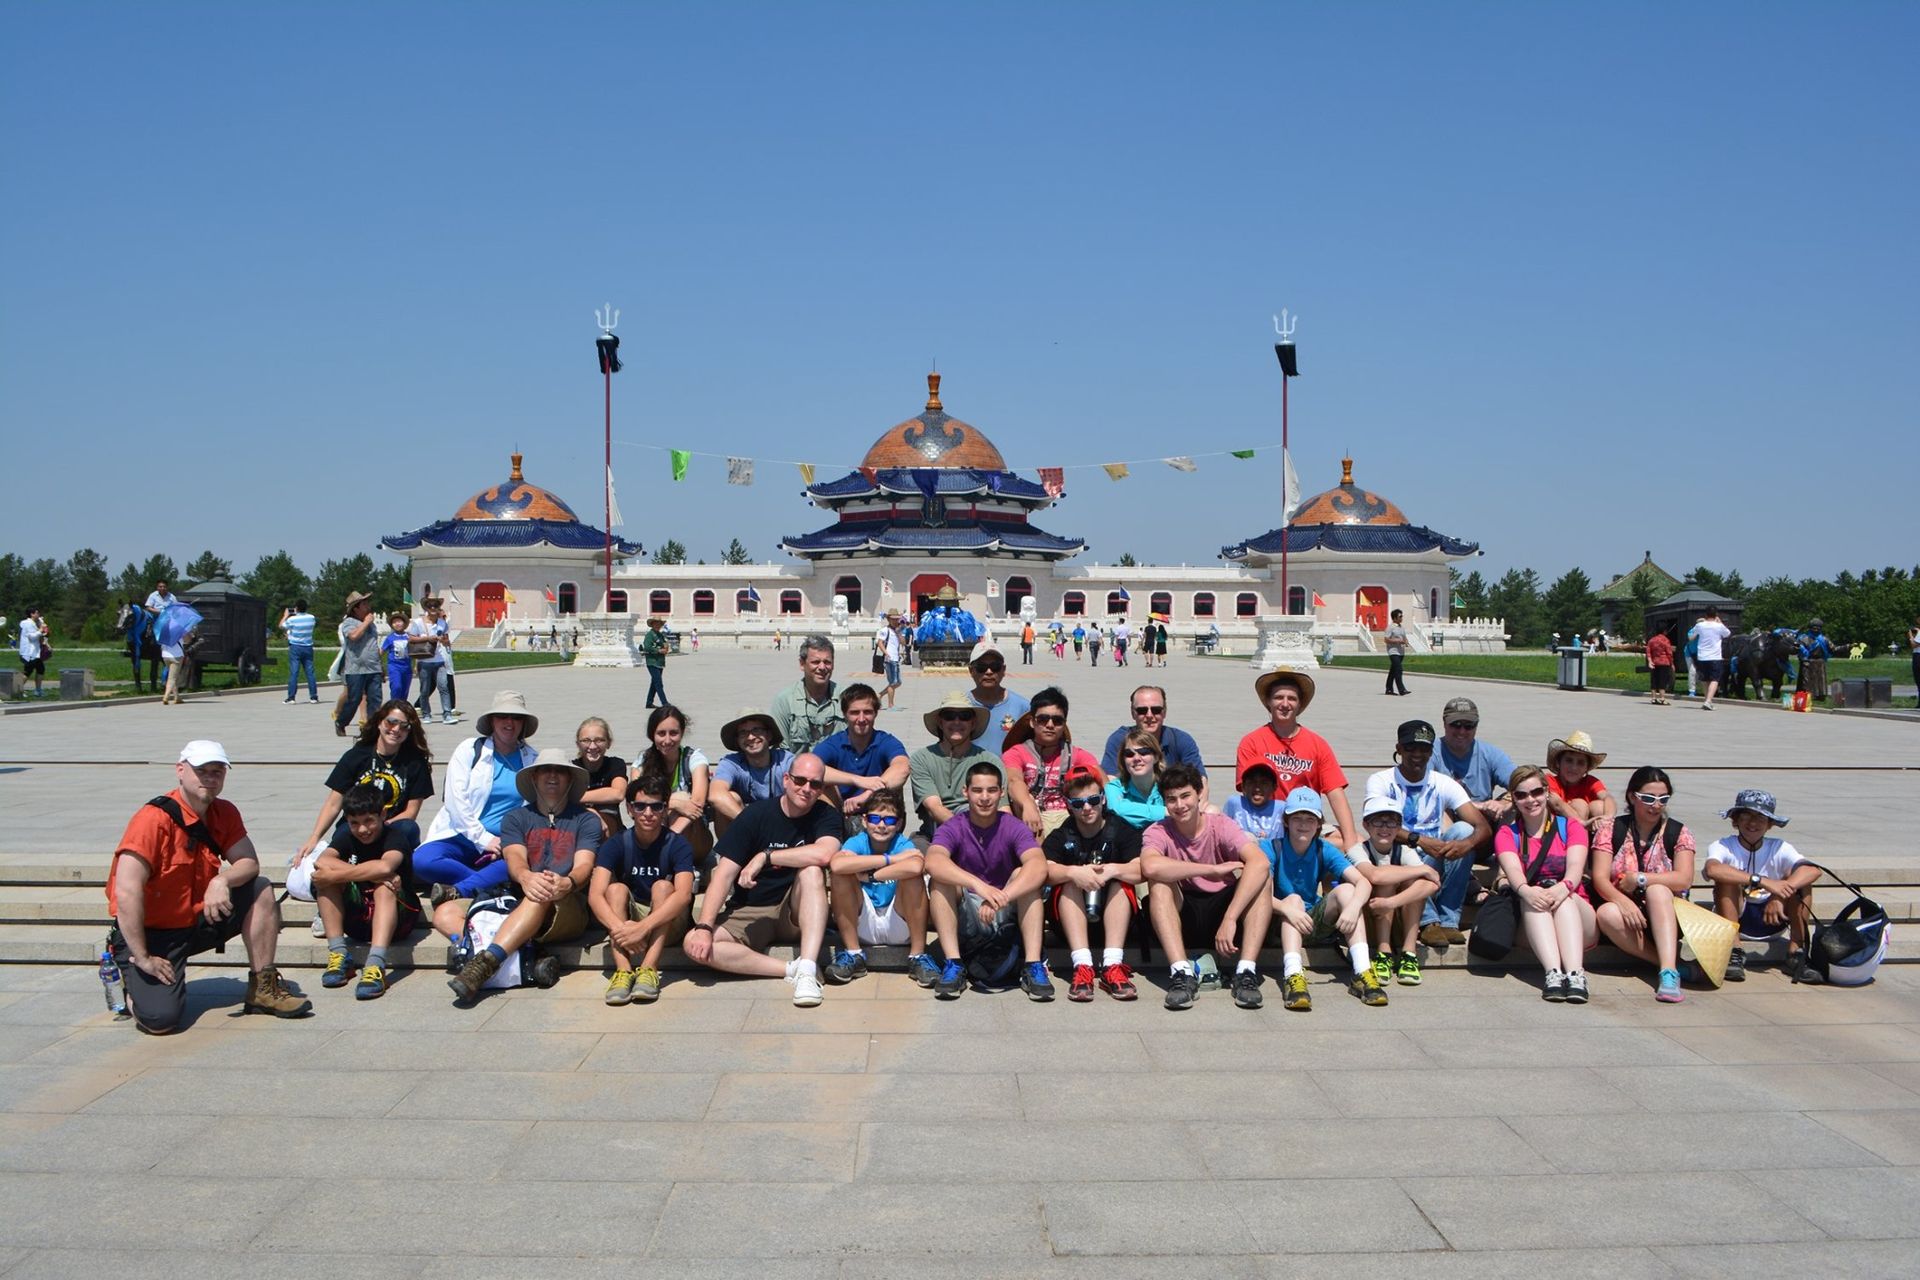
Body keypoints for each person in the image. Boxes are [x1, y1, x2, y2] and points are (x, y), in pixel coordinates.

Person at [105, 740, 311, 1032]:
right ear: (180, 771)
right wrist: (143, 957)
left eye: (218, 771)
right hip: (150, 935)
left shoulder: (224, 812)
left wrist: (221, 879)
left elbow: (249, 862)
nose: (211, 778)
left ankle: (263, 988)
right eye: (202, 770)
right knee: (160, 1021)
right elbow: (126, 893)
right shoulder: (151, 820)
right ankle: (133, 986)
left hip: (197, 920)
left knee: (259, 888)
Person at [445, 748, 604, 1001]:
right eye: (545, 771)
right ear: (533, 778)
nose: (552, 776)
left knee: (540, 893)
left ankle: (485, 963)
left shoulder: (586, 820)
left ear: (570, 779)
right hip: (520, 895)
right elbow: (515, 858)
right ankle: (528, 954)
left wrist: (568, 882)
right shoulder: (516, 817)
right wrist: (525, 876)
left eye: (560, 772)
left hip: (566, 903)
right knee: (446, 912)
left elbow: (584, 866)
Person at [684, 754, 841, 1007]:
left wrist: (766, 856)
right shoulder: (755, 815)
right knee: (694, 943)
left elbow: (824, 853)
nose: (807, 789)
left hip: (795, 910)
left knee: (812, 870)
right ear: (786, 780)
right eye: (800, 780)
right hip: (751, 910)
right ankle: (791, 969)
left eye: (815, 784)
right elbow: (723, 875)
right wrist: (704, 927)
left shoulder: (826, 815)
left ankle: (809, 968)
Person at [1141, 763, 1273, 1011]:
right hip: (1184, 911)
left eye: (1185, 796)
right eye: (1171, 799)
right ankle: (1181, 974)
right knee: (1159, 882)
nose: (1179, 805)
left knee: (1263, 879)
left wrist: (1231, 918)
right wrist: (1210, 870)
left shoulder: (1221, 824)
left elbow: (1260, 861)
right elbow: (1150, 866)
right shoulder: (1158, 830)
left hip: (1222, 912)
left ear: (1199, 794)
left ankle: (1246, 972)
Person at [925, 760, 1053, 1001]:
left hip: (1006, 907)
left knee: (1025, 877)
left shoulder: (1013, 826)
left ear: (1001, 793)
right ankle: (954, 964)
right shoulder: (954, 826)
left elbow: (1038, 866)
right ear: (966, 792)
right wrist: (979, 885)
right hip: (970, 910)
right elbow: (933, 861)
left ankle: (1033, 965)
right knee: (941, 881)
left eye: (991, 790)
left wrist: (1003, 896)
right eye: (977, 790)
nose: (984, 798)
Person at [1365, 719, 1491, 948]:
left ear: (1431, 752)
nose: (1417, 754)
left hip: (1435, 856)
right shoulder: (1381, 781)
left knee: (1463, 830)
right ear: (1399, 749)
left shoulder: (1443, 783)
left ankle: (1448, 920)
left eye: (1424, 749)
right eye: (1410, 748)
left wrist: (1467, 843)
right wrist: (1419, 840)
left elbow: (1482, 826)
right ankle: (1427, 923)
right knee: (1402, 850)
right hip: (1400, 855)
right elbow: (1375, 824)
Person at [412, 691, 540, 899]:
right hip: (462, 835)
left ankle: (460, 890)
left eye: (516, 717)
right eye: (502, 716)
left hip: (505, 843)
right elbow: (455, 800)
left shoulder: (534, 760)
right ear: (492, 721)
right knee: (422, 861)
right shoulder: (470, 750)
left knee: (519, 862)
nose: (509, 722)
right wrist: (483, 838)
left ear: (524, 723)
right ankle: (487, 884)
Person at [1267, 789, 1384, 1010]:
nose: (1303, 824)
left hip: (1311, 922)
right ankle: (1293, 976)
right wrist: (1285, 908)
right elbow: (1258, 893)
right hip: (1278, 923)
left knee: (1349, 890)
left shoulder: (1324, 848)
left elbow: (1364, 882)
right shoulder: (1272, 847)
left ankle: (1362, 971)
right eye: (1297, 818)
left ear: (1319, 824)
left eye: (1310, 819)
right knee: (1293, 899)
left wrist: (1352, 908)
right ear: (1286, 821)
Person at [1590, 766, 1697, 1002]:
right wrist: (1623, 902)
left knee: (1658, 890)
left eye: (1663, 799)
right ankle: (1668, 963)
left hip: (1667, 913)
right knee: (1607, 912)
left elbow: (1684, 878)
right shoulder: (1611, 829)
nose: (1656, 805)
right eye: (1648, 798)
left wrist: (1641, 878)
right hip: (1628, 917)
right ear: (1631, 797)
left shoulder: (1678, 832)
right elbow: (1599, 877)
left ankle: (1668, 973)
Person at [294, 699, 434, 876]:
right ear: (379, 722)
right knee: (344, 831)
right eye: (391, 722)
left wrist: (379, 824)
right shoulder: (357, 756)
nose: (396, 729)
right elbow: (333, 804)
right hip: (357, 824)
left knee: (409, 828)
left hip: (391, 827)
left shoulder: (415, 762)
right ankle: (369, 872)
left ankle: (378, 869)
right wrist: (314, 837)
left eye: (404, 726)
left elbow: (411, 812)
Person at [591, 773, 696, 1006]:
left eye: (656, 806)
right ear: (629, 809)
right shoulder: (616, 843)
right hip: (630, 922)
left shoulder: (677, 844)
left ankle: (649, 968)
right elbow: (595, 895)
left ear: (665, 809)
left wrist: (643, 928)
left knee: (664, 887)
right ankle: (624, 971)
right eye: (640, 806)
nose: (648, 813)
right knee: (615, 889)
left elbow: (684, 895)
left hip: (667, 923)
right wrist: (623, 930)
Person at [311, 782, 422, 1000]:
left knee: (384, 885)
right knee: (325, 882)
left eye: (369, 820)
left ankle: (376, 965)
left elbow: (385, 867)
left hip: (399, 919)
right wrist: (344, 875)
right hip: (359, 918)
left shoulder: (394, 837)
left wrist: (338, 873)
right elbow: (322, 862)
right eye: (354, 823)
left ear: (383, 814)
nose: (362, 829)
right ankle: (339, 954)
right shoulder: (346, 836)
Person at [1496, 764, 1597, 1002]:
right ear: (1514, 799)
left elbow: (1575, 868)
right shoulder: (1507, 834)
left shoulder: (1569, 827)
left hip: (1578, 916)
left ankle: (1575, 974)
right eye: (1521, 795)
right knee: (1533, 896)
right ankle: (1553, 973)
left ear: (1547, 792)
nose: (1530, 800)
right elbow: (1513, 872)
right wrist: (1527, 892)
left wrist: (1562, 888)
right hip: (1533, 919)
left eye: (1536, 792)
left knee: (1565, 899)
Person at [1703, 789, 1824, 983]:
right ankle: (1734, 950)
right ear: (1736, 821)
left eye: (1761, 818)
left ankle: (1796, 949)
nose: (1753, 823)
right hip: (1737, 914)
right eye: (1746, 816)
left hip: (1775, 918)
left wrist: (1780, 894)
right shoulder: (1723, 845)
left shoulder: (1779, 847)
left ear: (1769, 824)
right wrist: (1763, 881)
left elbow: (1813, 871)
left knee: (1802, 882)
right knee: (1727, 879)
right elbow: (1712, 870)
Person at [1044, 766, 1144, 1001]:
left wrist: (1112, 870)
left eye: (1092, 800)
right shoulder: (1062, 834)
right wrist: (1074, 873)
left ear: (1103, 799)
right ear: (1069, 805)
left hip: (1116, 921)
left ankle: (1112, 965)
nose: (1087, 808)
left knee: (1122, 883)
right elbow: (1043, 869)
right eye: (1078, 804)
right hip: (1070, 924)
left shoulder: (1121, 829)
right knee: (1068, 883)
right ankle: (1082, 966)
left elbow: (1143, 868)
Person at [1235, 670, 1358, 850]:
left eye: (1292, 698)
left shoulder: (1317, 744)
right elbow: (1247, 794)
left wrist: (1351, 842)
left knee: (1358, 840)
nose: (1285, 704)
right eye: (1278, 697)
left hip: (1304, 819)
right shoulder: (1251, 742)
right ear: (1268, 702)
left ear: (1300, 705)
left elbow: (1336, 794)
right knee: (1336, 844)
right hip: (1266, 822)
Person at [826, 788, 935, 986]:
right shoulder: (857, 842)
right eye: (875, 819)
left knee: (913, 877)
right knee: (840, 876)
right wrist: (890, 860)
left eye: (890, 820)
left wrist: (870, 875)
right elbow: (837, 864)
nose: (882, 825)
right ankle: (854, 954)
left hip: (899, 919)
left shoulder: (902, 843)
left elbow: (916, 865)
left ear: (899, 823)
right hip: (862, 921)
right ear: (865, 821)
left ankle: (918, 956)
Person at [1350, 793, 1441, 989]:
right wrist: (1423, 868)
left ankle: (1409, 952)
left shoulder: (1404, 850)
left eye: (1391, 823)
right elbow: (1375, 876)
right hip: (1368, 921)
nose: (1384, 828)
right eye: (1378, 822)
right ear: (1366, 825)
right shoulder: (1358, 850)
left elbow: (1432, 884)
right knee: (1387, 881)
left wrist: (1391, 903)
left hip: (1394, 916)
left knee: (1414, 884)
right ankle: (1383, 951)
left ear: (1399, 828)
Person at [1002, 687, 1101, 838]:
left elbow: (1103, 781)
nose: (1050, 725)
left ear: (1064, 724)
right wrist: (1027, 804)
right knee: (1022, 801)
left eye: (1057, 720)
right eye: (1042, 719)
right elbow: (1014, 780)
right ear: (1032, 722)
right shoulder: (1017, 753)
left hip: (1070, 819)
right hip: (1032, 818)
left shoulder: (1076, 755)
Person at [633, 705, 715, 865]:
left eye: (674, 733)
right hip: (654, 830)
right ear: (652, 735)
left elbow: (697, 803)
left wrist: (667, 836)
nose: (667, 740)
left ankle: (667, 853)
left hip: (694, 837)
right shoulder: (642, 762)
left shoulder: (694, 759)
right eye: (661, 733)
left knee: (684, 798)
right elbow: (634, 802)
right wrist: (676, 803)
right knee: (678, 801)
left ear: (682, 733)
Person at [815, 683, 910, 819]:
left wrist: (868, 794)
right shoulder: (834, 743)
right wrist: (857, 780)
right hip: (842, 812)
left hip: (879, 816)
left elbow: (903, 767)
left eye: (867, 712)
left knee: (894, 785)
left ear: (876, 713)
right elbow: (809, 770)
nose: (861, 719)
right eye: (854, 713)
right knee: (821, 785)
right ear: (844, 714)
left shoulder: (885, 741)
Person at [909, 691, 995, 839]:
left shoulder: (990, 760)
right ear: (940, 723)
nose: (957, 722)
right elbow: (934, 807)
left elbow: (1002, 809)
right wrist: (967, 835)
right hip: (936, 833)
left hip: (982, 832)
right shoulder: (921, 759)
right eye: (949, 716)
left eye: (964, 716)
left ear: (973, 723)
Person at [1432, 697, 1517, 829]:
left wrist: (1504, 802)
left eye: (1468, 726)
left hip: (1484, 823)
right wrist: (1476, 806)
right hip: (1444, 824)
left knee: (1519, 806)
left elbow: (1523, 781)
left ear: (1476, 726)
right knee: (1454, 822)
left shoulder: (1490, 753)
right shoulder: (1430, 752)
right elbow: (1423, 791)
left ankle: (1509, 846)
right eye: (1456, 724)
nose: (1462, 731)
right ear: (1444, 723)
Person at [708, 709, 793, 833]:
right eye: (743, 733)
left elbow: (817, 773)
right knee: (731, 797)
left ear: (769, 735)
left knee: (813, 787)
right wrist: (753, 824)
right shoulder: (731, 763)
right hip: (745, 831)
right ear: (737, 740)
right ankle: (730, 850)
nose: (751, 737)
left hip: (782, 827)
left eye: (757, 730)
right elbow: (716, 795)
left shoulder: (785, 759)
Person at [1099, 686, 1205, 775]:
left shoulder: (1181, 740)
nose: (1149, 715)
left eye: (1156, 710)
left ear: (1164, 712)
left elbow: (1200, 780)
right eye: (1142, 710)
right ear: (1133, 713)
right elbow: (1109, 780)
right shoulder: (1119, 740)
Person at [768, 634, 844, 751]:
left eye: (827, 662)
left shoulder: (846, 697)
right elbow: (780, 752)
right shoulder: (785, 701)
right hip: (797, 768)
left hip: (838, 768)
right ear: (802, 664)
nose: (822, 667)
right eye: (815, 662)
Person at [335, 590, 382, 737]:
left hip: (373, 668)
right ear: (356, 608)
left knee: (375, 699)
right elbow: (354, 636)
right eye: (364, 604)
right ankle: (341, 722)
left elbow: (374, 646)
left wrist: (382, 667)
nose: (368, 606)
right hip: (355, 669)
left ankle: (369, 728)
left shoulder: (372, 626)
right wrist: (367, 622)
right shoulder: (348, 623)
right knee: (354, 699)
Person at [572, 716, 629, 838]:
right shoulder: (572, 769)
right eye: (586, 740)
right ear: (578, 744)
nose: (592, 746)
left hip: (612, 829)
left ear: (608, 743)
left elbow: (618, 793)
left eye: (599, 740)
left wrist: (575, 796)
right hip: (580, 825)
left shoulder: (615, 764)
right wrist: (590, 811)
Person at [965, 648, 1029, 755]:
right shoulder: (961, 706)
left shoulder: (1023, 707)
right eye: (981, 667)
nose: (989, 672)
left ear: (1003, 670)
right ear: (971, 671)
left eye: (995, 667)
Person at [1546, 731, 1616, 825]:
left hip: (1588, 826)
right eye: (1569, 760)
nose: (1574, 767)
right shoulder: (1550, 780)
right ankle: (1579, 837)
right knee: (1580, 804)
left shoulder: (1591, 782)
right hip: (1556, 832)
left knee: (1599, 806)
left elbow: (1607, 797)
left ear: (1586, 768)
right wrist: (1582, 823)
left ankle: (1602, 838)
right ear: (1559, 762)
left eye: (1580, 763)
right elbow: (1557, 804)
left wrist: (1607, 817)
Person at [1104, 727, 1167, 829]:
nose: (1137, 758)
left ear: (1156, 757)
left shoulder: (1168, 786)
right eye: (1129, 754)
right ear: (1123, 760)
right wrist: (1164, 811)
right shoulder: (1114, 787)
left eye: (1144, 752)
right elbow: (1117, 809)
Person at [1222, 763, 1284, 841]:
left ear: (1274, 787)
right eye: (1251, 782)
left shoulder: (1281, 809)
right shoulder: (1235, 804)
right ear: (1243, 786)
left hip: (1271, 852)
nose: (1257, 788)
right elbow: (1222, 834)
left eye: (1264, 783)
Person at [1690, 605, 1733, 711]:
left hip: (1702, 656)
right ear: (1716, 615)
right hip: (1715, 656)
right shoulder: (1719, 626)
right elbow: (1727, 634)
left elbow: (1691, 637)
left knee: (1705, 679)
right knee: (1715, 679)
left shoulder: (1700, 625)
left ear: (1705, 614)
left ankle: (1707, 701)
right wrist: (1720, 622)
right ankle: (1708, 701)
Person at [280, 599, 318, 704]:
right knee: (310, 672)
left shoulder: (292, 619)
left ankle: (291, 697)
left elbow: (281, 626)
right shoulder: (311, 618)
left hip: (295, 647)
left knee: (294, 672)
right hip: (308, 646)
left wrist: (285, 615)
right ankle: (313, 696)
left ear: (296, 608)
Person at [378, 611, 415, 704]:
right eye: (394, 622)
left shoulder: (409, 637)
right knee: (396, 686)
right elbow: (381, 652)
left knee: (405, 689)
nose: (397, 624)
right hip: (394, 667)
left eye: (399, 621)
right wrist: (378, 663)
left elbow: (415, 651)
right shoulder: (390, 638)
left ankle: (402, 707)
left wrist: (416, 665)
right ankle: (394, 705)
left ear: (404, 623)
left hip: (407, 667)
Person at [15, 605, 48, 699]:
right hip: (29, 652)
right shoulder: (27, 624)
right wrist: (40, 630)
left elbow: (44, 634)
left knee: (41, 669)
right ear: (32, 614)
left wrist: (42, 627)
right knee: (27, 672)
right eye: (37, 612)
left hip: (35, 652)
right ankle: (16, 689)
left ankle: (38, 690)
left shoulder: (35, 623)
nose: (39, 614)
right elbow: (31, 637)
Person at [1797, 619, 1832, 702]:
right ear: (1810, 628)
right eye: (1814, 628)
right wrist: (1803, 659)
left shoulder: (1824, 639)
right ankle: (1807, 696)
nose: (1816, 630)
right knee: (1806, 681)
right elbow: (1799, 651)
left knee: (1820, 680)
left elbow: (1834, 649)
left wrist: (1847, 646)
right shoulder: (1803, 638)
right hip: (1807, 662)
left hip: (1820, 662)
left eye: (1818, 628)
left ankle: (1820, 696)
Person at [874, 611, 903, 708]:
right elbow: (880, 642)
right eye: (893, 619)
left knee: (898, 682)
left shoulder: (897, 631)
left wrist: (899, 633)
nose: (895, 621)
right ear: (889, 619)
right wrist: (886, 653)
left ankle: (879, 695)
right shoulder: (885, 630)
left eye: (897, 619)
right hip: (889, 659)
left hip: (896, 658)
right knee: (893, 682)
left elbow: (904, 642)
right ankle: (891, 704)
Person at [640, 616, 671, 708]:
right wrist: (658, 651)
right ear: (652, 624)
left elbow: (664, 644)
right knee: (658, 683)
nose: (657, 625)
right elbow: (647, 647)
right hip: (652, 661)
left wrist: (666, 647)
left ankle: (649, 702)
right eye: (656, 623)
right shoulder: (649, 635)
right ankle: (664, 703)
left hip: (660, 662)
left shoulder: (660, 635)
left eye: (659, 624)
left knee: (654, 683)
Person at [1383, 608, 1411, 696]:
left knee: (1393, 671)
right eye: (1400, 616)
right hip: (1393, 651)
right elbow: (1386, 639)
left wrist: (1405, 642)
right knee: (1398, 669)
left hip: (1401, 652)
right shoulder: (1390, 627)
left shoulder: (1401, 627)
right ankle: (1401, 689)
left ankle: (1389, 689)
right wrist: (1397, 641)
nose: (1401, 618)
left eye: (1402, 616)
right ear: (1394, 618)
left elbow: (1404, 637)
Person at [1645, 628, 1675, 706]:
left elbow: (1648, 651)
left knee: (1654, 680)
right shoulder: (1665, 640)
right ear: (1664, 631)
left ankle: (1653, 698)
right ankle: (1662, 698)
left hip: (1654, 662)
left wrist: (1650, 661)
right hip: (1664, 662)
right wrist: (1672, 664)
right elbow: (1669, 653)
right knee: (1663, 680)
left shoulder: (1652, 640)